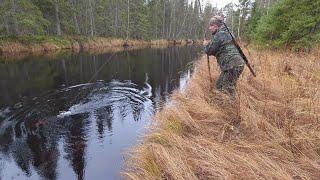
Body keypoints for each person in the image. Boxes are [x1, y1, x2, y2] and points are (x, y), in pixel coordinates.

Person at [203, 16, 245, 97]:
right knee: (221, 85)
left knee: (226, 89)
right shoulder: (229, 33)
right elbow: (220, 48)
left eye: (211, 26)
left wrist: (205, 45)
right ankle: (229, 105)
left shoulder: (219, 35)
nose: (209, 28)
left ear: (215, 26)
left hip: (231, 66)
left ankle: (229, 107)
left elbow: (209, 50)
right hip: (237, 64)